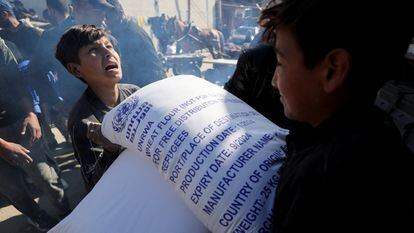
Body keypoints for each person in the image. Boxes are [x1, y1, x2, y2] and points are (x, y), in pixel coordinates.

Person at [258, 0, 414, 232]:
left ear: (333, 70)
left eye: (280, 63)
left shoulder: (324, 178)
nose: (273, 81)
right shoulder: (378, 131)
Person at [55, 24, 138, 191]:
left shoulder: (135, 93)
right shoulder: (83, 122)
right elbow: (94, 181)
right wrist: (110, 150)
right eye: (94, 50)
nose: (108, 53)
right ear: (76, 69)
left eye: (108, 46)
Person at [0, 37, 68, 232]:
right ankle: (38, 217)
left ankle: (68, 214)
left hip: (17, 122)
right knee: (12, 187)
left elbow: (16, 81)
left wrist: (31, 113)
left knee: (46, 177)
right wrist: (2, 145)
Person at [101, 0, 166, 86]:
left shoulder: (133, 33)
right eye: (104, 16)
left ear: (120, 14)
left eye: (109, 17)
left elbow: (151, 68)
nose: (106, 21)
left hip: (148, 83)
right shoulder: (119, 31)